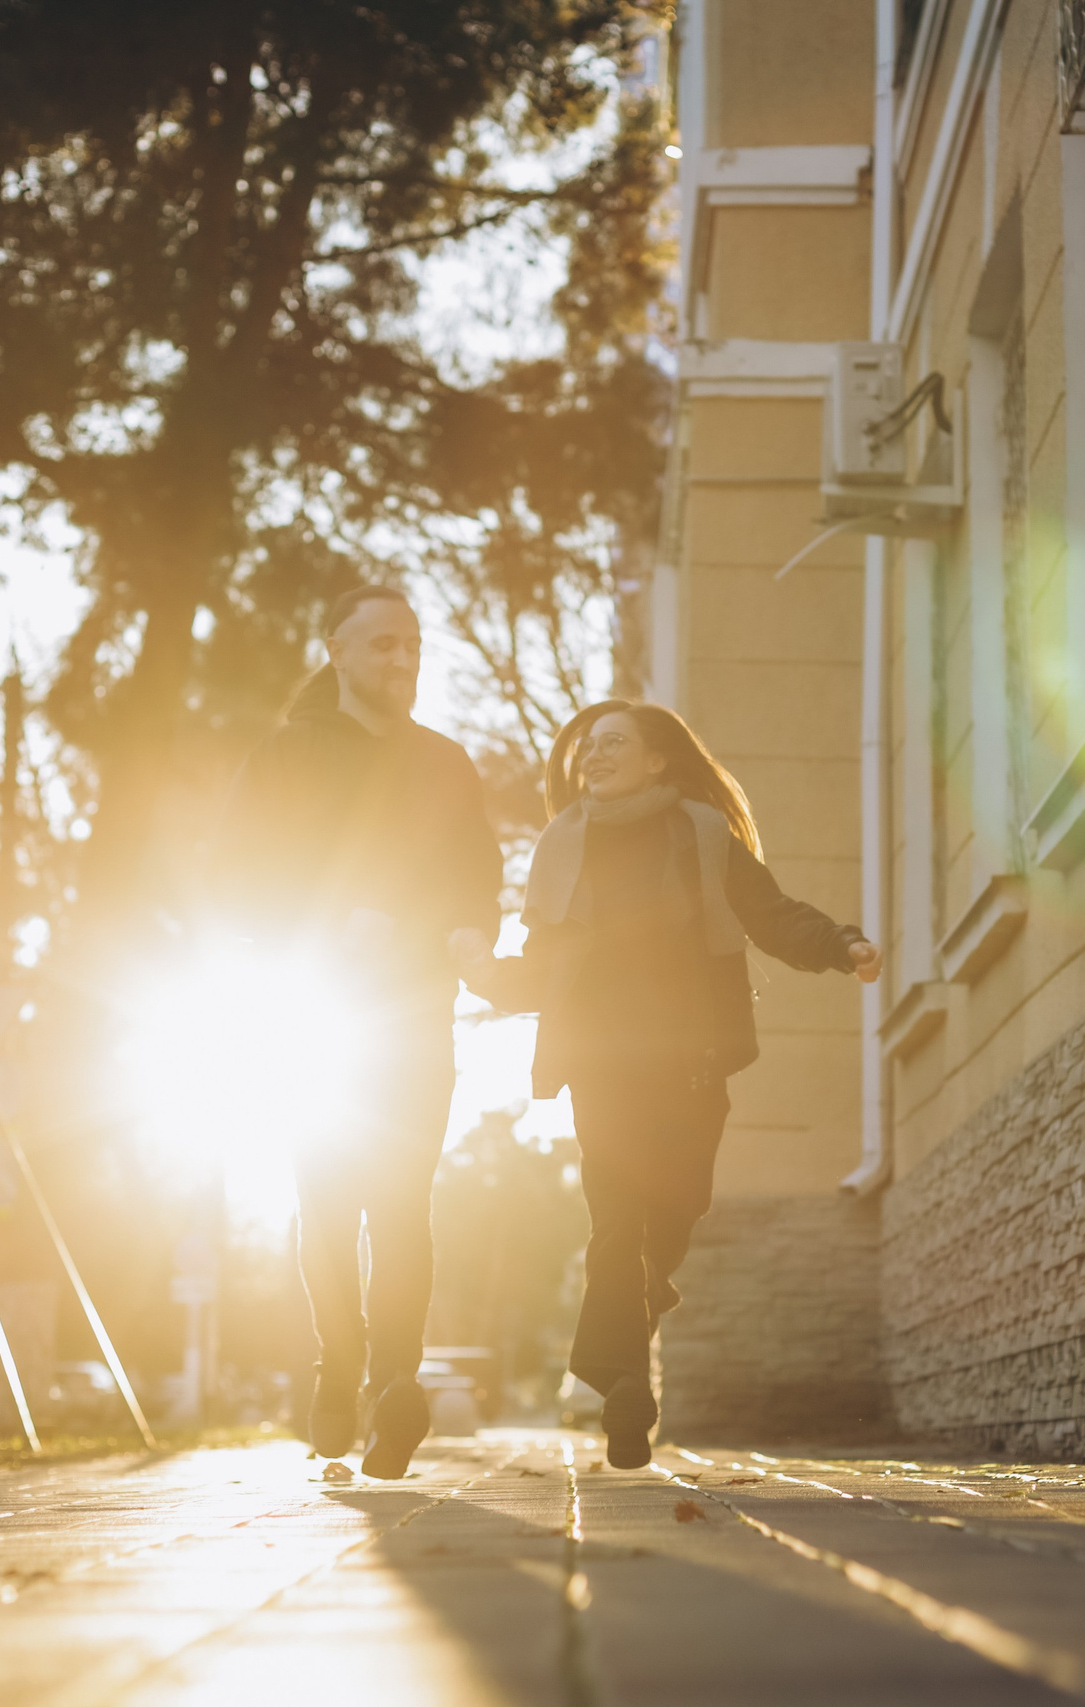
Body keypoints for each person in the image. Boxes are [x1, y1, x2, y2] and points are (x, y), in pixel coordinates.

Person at [458, 700, 880, 1470]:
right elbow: (545, 960)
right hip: (601, 1058)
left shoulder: (702, 831)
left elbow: (769, 913)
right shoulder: (562, 843)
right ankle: (624, 1389)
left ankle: (640, 1309)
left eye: (613, 743)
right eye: (588, 746)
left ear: (657, 759)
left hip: (691, 1057)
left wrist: (839, 942)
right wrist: (488, 978)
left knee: (675, 1215)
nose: (593, 755)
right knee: (617, 1220)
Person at [213, 584, 501, 1478]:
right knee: (331, 1209)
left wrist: (472, 929)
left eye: (412, 644)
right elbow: (235, 869)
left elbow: (477, 869)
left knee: (403, 1202)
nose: (401, 660)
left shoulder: (446, 762)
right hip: (316, 1011)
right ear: (334, 650)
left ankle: (394, 1388)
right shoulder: (287, 755)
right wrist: (324, 923)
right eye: (381, 644)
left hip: (416, 1013)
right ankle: (338, 1369)